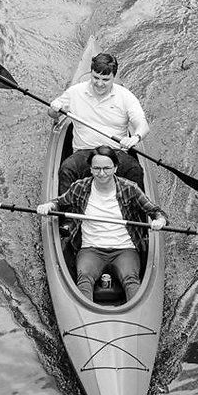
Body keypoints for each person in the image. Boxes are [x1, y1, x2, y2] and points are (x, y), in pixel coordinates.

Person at [37, 146, 167, 302]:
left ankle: (139, 318)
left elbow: (156, 211)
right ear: (90, 169)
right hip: (90, 249)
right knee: (84, 278)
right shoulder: (80, 187)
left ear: (115, 168)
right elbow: (59, 202)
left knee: (131, 279)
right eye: (97, 168)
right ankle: (85, 319)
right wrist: (49, 206)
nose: (102, 173)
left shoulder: (130, 188)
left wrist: (160, 220)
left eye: (106, 168)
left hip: (125, 249)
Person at [49, 51, 148, 193]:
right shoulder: (75, 92)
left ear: (113, 77)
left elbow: (143, 125)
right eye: (96, 77)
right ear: (91, 73)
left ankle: (138, 213)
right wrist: (55, 109)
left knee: (135, 170)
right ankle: (67, 214)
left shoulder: (126, 96)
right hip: (84, 152)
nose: (99, 83)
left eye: (105, 79)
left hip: (115, 153)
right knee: (66, 169)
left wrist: (135, 137)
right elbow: (52, 115)